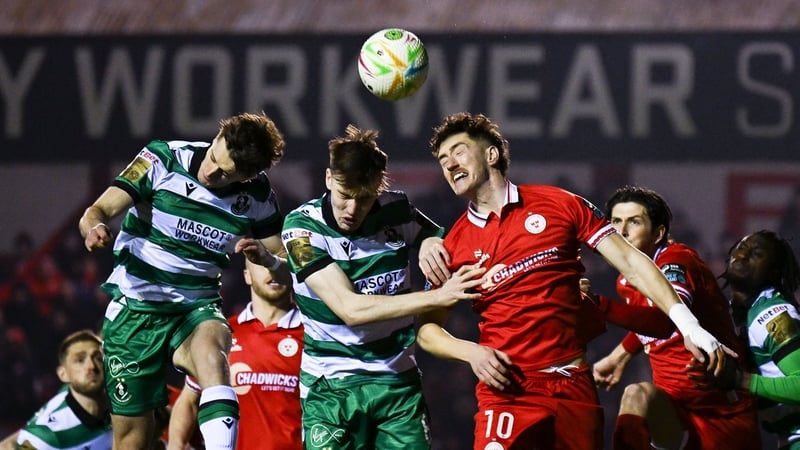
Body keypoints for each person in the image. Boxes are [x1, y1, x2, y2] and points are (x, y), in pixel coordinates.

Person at [415, 112, 734, 450]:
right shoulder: (453, 245)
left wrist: (689, 325)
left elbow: (631, 262)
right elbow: (426, 331)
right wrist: (471, 353)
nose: (449, 164)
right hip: (508, 393)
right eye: (442, 159)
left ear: (491, 155)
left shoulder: (559, 205)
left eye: (459, 151)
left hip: (574, 386)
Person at [79, 112, 289, 450]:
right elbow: (95, 212)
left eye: (225, 174)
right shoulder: (161, 159)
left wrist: (267, 259)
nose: (211, 172)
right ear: (219, 135)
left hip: (195, 307)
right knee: (133, 441)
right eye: (214, 159)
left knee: (213, 359)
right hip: (136, 310)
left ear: (249, 176)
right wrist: (95, 229)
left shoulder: (259, 195)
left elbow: (284, 266)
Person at [279, 124, 485, 449]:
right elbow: (351, 309)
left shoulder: (395, 209)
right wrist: (437, 296)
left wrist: (432, 241)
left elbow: (441, 236)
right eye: (345, 196)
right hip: (331, 386)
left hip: (397, 383)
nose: (352, 210)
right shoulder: (301, 231)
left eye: (364, 199)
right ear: (329, 179)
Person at [585, 186, 760, 449]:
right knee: (636, 394)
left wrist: (597, 305)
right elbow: (652, 323)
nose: (621, 232)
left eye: (634, 222)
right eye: (615, 222)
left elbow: (665, 321)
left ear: (658, 233)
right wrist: (619, 354)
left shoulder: (676, 262)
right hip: (675, 408)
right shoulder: (626, 280)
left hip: (722, 411)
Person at [167, 256, 303, 450]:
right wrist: (176, 445)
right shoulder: (220, 332)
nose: (272, 271)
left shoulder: (314, 336)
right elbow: (189, 400)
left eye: (279, 264)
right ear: (247, 276)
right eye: (263, 265)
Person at [722, 229, 800, 448]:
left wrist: (741, 380)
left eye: (756, 253)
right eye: (741, 247)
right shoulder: (740, 315)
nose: (743, 255)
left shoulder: (774, 315)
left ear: (773, 272)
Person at [0, 329, 111, 450]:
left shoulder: (122, 394)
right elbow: (8, 446)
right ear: (63, 374)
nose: (91, 366)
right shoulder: (48, 434)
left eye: (98, 358)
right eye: (80, 360)